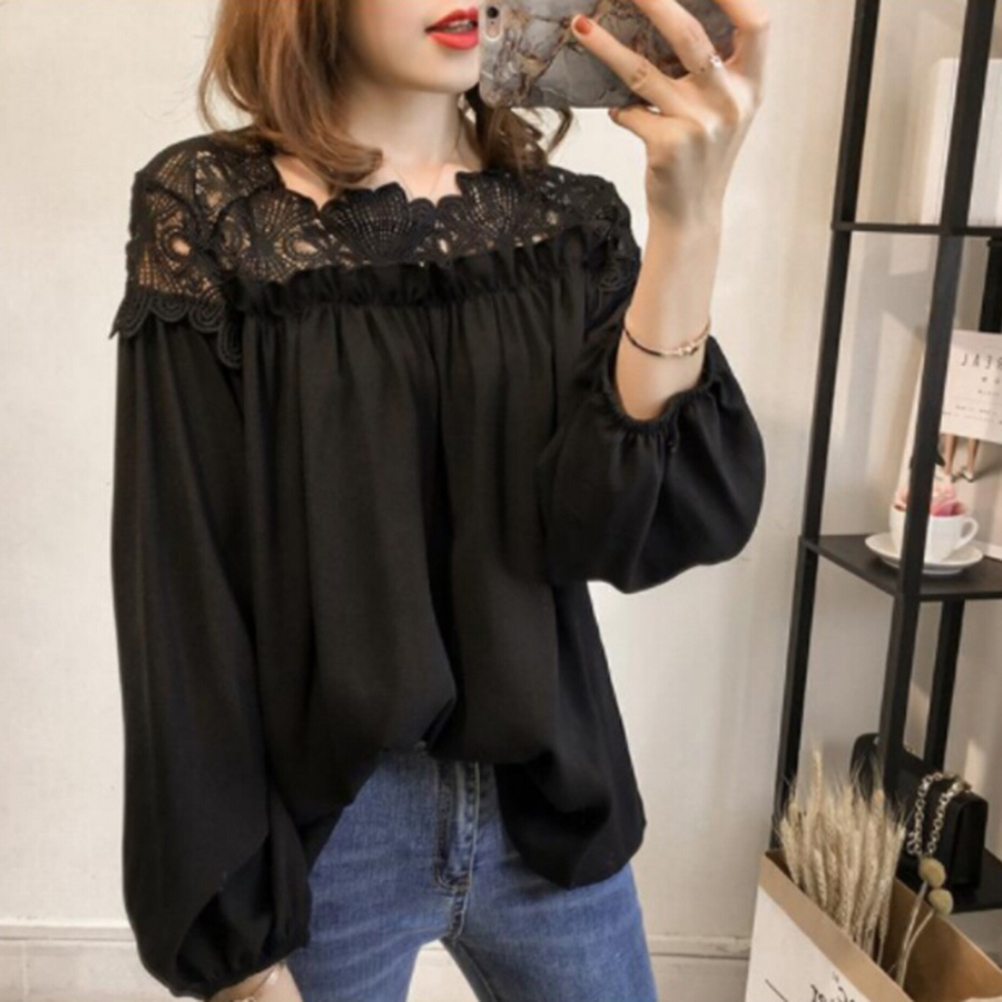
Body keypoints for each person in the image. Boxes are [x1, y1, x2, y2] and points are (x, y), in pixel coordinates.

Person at [107, 1, 770, 1000]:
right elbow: (182, 586)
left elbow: (625, 526)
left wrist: (691, 221)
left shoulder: (569, 222)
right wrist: (237, 949)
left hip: (550, 797)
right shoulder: (212, 212)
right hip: (325, 834)